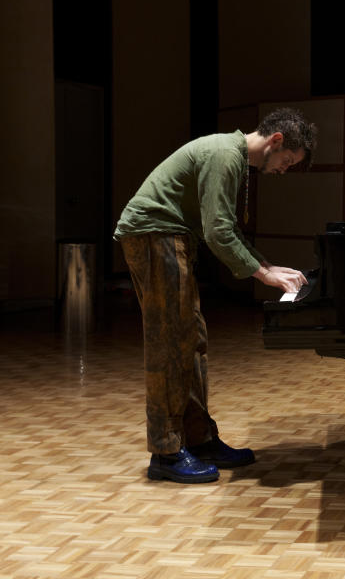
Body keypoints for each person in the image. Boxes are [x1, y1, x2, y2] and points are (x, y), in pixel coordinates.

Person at [114, 107, 315, 483]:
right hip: (155, 234)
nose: (284, 169)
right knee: (170, 345)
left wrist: (266, 265)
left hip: (169, 236)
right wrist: (263, 274)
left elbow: (227, 230)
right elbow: (218, 231)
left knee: (192, 340)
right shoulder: (225, 155)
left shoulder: (233, 157)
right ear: (276, 141)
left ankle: (199, 439)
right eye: (288, 161)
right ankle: (166, 452)